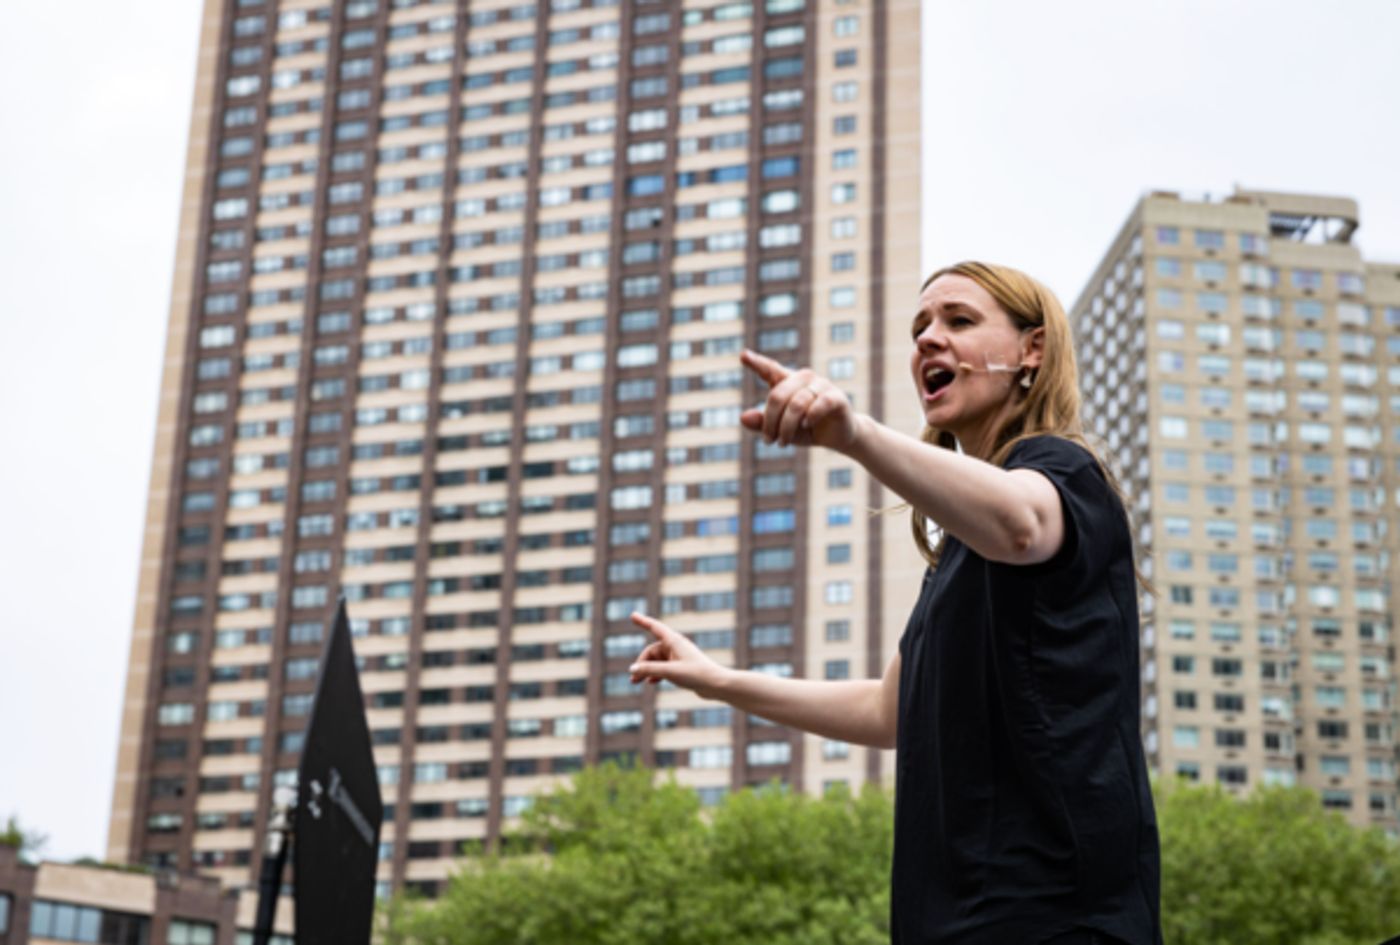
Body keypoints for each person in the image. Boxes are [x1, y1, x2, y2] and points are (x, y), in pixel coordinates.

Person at [627, 261, 1162, 945]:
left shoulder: (1064, 472)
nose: (928, 339)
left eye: (959, 320)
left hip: (1055, 920)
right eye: (920, 328)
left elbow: (1023, 524)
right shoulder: (959, 552)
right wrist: (718, 681)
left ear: (1032, 350)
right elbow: (888, 711)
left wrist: (853, 433)